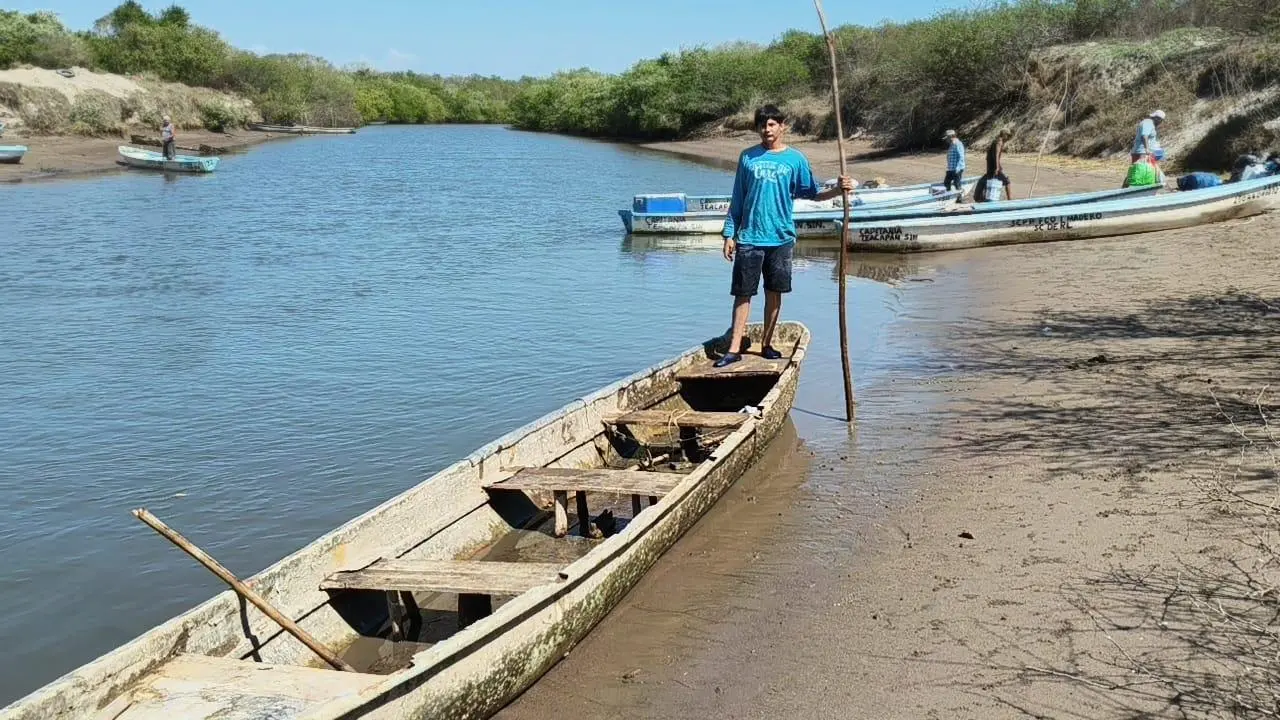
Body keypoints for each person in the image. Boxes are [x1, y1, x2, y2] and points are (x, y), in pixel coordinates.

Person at [716, 104, 853, 368]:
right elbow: (738, 198)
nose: (766, 129)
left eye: (771, 124)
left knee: (774, 292)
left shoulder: (795, 159)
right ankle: (733, 349)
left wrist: (838, 189)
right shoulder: (748, 157)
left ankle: (766, 344)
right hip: (750, 237)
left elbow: (812, 193)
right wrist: (729, 233)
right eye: (762, 125)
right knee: (742, 294)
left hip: (780, 238)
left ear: (782, 126)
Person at [976, 128, 1014, 202]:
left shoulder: (996, 141)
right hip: (994, 165)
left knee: (989, 180)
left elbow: (989, 156)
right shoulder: (999, 141)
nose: (1008, 138)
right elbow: (996, 155)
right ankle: (1010, 200)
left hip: (991, 165)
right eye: (1007, 136)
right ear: (1004, 135)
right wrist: (997, 167)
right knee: (1007, 181)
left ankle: (981, 198)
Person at [943, 129, 965, 201]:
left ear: (951, 136)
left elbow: (961, 157)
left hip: (957, 169)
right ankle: (948, 197)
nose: (946, 140)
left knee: (957, 184)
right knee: (946, 182)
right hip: (951, 168)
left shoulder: (958, 144)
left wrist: (958, 168)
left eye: (947, 138)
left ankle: (959, 199)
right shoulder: (952, 144)